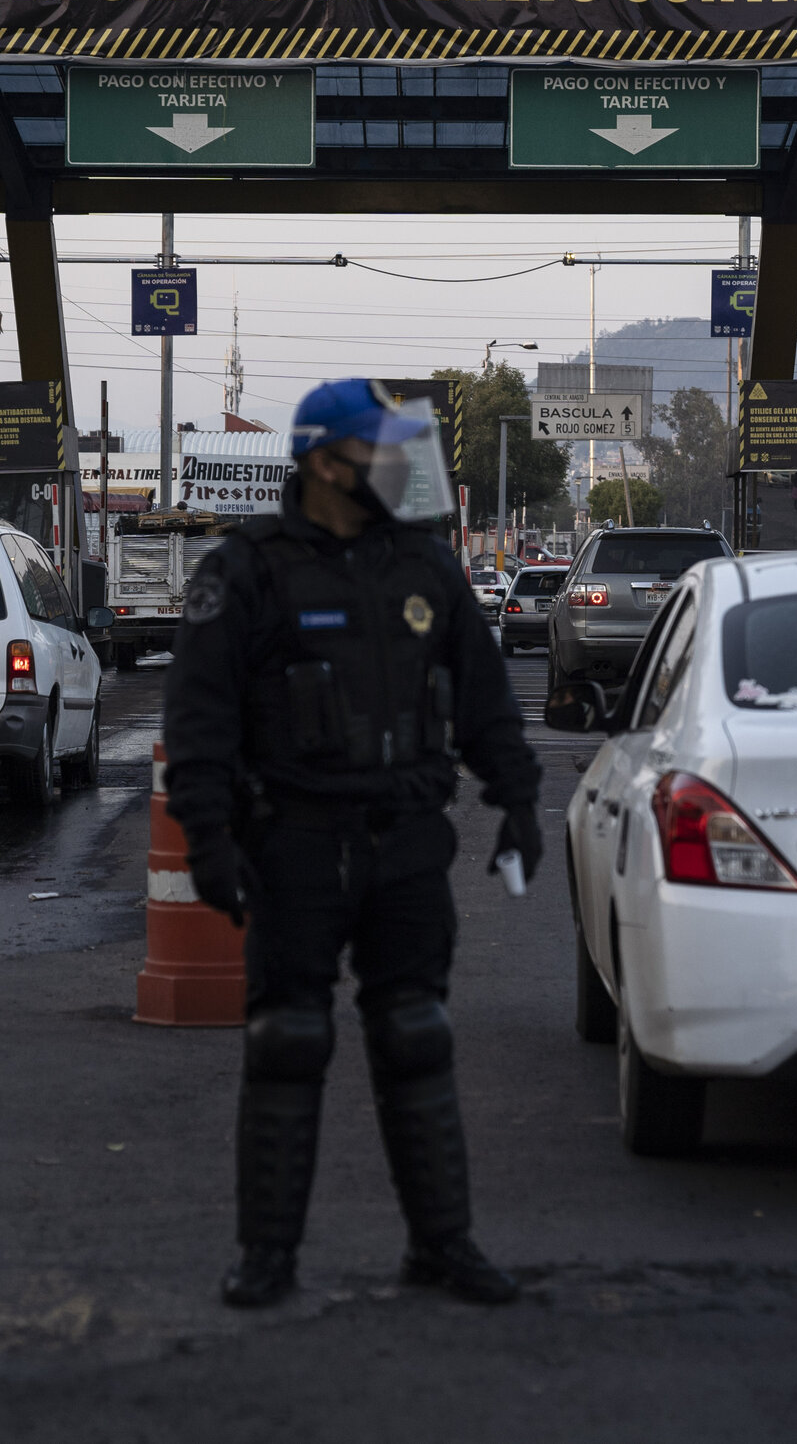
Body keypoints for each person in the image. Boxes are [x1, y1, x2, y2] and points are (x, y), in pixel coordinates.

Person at [162, 378, 544, 1310]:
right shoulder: (245, 571)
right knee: (288, 1038)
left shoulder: (425, 566)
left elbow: (485, 700)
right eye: (382, 452)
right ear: (329, 462)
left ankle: (442, 1247)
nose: (399, 469)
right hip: (295, 841)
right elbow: (201, 718)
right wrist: (207, 836)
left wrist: (520, 801)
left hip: (408, 841)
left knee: (418, 1033)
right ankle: (268, 1258)